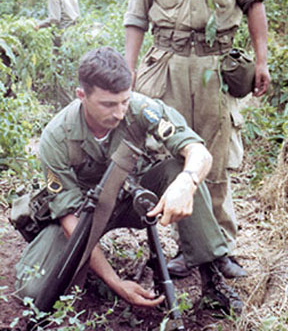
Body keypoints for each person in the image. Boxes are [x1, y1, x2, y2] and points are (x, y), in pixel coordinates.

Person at [15, 46, 243, 315]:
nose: (119, 112)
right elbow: (70, 221)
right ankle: (87, 269)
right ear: (81, 96)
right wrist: (115, 281)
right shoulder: (57, 137)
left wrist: (187, 182)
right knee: (33, 291)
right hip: (85, 215)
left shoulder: (141, 109)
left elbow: (198, 151)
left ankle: (212, 279)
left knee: (180, 169)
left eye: (124, 101)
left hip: (136, 200)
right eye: (108, 104)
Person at [124, 0, 270, 278]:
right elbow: (136, 16)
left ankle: (221, 249)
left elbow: (253, 2)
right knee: (173, 158)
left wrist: (262, 60)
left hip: (215, 66)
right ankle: (187, 250)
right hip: (166, 66)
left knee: (216, 161)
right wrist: (129, 70)